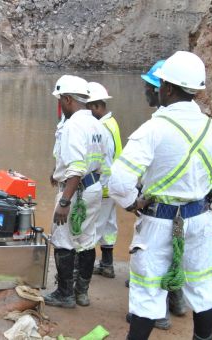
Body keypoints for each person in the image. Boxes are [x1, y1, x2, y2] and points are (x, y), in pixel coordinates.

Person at [109, 51, 212, 340]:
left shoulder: (154, 128)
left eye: (160, 84)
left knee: (148, 294)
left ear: (169, 88)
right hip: (199, 220)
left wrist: (132, 203)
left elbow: (120, 181)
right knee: (202, 289)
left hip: (159, 223)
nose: (158, 89)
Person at [124, 60, 189, 331]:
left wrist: (134, 198)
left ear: (162, 88)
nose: (146, 92)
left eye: (148, 87)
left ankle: (158, 313)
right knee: (176, 250)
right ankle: (177, 300)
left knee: (156, 256)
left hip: (163, 204)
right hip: (188, 205)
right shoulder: (188, 122)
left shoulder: (160, 124)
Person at [45, 75, 111, 308]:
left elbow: (76, 168)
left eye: (61, 100)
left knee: (63, 240)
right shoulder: (98, 124)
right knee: (86, 240)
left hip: (75, 191)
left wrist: (64, 201)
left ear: (68, 99)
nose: (61, 105)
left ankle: (65, 294)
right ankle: (81, 292)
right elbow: (102, 162)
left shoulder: (73, 125)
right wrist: (57, 173)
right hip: (92, 189)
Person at [85, 82, 121, 279]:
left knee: (93, 228)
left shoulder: (102, 128)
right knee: (108, 225)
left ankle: (82, 272)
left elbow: (104, 161)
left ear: (96, 106)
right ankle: (107, 264)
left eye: (88, 108)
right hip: (113, 186)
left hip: (104, 186)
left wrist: (99, 185)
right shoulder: (112, 122)